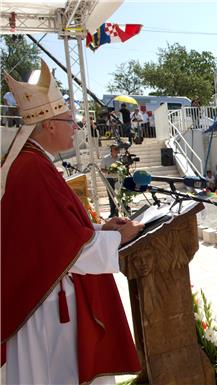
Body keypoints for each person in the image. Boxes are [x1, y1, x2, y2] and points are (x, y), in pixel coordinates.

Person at [1, 60, 143, 384]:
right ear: (49, 125)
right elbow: (64, 246)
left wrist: (102, 230)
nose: (76, 127)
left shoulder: (33, 163)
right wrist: (119, 240)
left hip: (43, 302)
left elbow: (55, 232)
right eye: (70, 121)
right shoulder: (34, 170)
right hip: (44, 313)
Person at [100, 143, 121, 217]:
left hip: (119, 178)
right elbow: (102, 169)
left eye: (118, 149)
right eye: (116, 149)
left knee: (120, 195)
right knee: (111, 196)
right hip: (109, 179)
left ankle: (121, 210)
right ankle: (113, 213)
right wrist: (109, 171)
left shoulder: (120, 158)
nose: (117, 150)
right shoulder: (106, 158)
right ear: (111, 150)